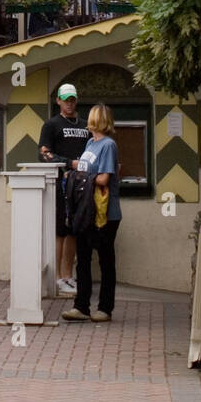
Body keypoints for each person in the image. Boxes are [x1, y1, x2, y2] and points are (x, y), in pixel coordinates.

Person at [62, 103, 121, 323]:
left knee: (105, 260)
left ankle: (105, 307)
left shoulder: (108, 145)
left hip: (105, 212)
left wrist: (79, 177)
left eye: (91, 117)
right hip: (86, 209)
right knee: (83, 258)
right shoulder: (90, 143)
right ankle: (81, 306)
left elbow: (104, 178)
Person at [39, 83, 90, 296]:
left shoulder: (86, 125)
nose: (69, 104)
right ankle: (58, 277)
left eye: (72, 99)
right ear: (58, 100)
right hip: (60, 183)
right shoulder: (51, 125)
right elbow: (43, 154)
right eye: (65, 99)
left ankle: (69, 275)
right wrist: (70, 164)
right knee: (60, 229)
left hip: (82, 184)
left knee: (75, 231)